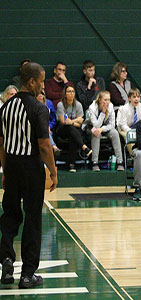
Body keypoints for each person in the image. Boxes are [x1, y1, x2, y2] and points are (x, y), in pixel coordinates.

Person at [0, 62, 57, 289]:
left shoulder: (5, 108)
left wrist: (5, 169)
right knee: (32, 219)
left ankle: (5, 260)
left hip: (11, 166)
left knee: (10, 215)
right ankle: (27, 275)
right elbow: (44, 146)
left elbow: (1, 144)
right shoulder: (38, 108)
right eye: (41, 81)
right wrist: (52, 171)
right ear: (31, 81)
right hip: (31, 167)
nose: (43, 86)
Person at [56, 85, 92, 172]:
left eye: (73, 91)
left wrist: (71, 121)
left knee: (73, 135)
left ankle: (71, 165)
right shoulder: (60, 105)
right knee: (70, 128)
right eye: (69, 91)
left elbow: (80, 124)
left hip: (73, 130)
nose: (71, 93)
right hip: (62, 130)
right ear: (65, 94)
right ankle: (84, 147)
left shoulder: (78, 105)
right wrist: (76, 120)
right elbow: (63, 122)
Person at [86, 91, 124, 172]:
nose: (107, 102)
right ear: (99, 100)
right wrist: (103, 112)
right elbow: (96, 125)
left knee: (115, 133)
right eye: (105, 100)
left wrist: (102, 129)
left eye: (108, 100)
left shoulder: (110, 106)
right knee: (96, 134)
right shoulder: (92, 107)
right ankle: (95, 162)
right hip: (91, 128)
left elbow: (112, 124)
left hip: (105, 128)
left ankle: (120, 162)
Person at [117, 88, 141, 155]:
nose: (136, 99)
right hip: (124, 128)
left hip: (136, 128)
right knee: (129, 136)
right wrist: (130, 131)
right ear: (129, 98)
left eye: (138, 97)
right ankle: (133, 154)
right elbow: (123, 124)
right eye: (134, 97)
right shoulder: (124, 108)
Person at [36, 91, 61, 156]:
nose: (41, 95)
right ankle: (54, 147)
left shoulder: (49, 103)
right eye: (39, 93)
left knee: (47, 132)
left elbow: (53, 119)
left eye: (42, 93)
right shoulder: (33, 104)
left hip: (48, 128)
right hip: (37, 128)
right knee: (45, 131)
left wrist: (50, 126)